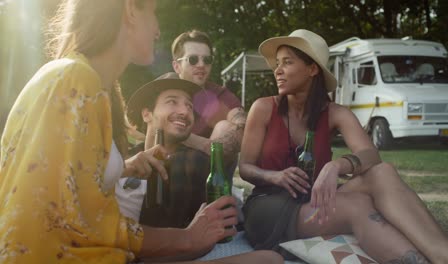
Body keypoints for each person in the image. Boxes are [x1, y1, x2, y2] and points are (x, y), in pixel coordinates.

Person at [0, 1, 283, 263]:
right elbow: (78, 223)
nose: (158, 28)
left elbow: (64, 186)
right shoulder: (75, 80)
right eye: (154, 12)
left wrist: (121, 168)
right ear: (131, 10)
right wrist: (187, 238)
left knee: (268, 260)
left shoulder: (87, 82)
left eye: (188, 105)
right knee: (269, 260)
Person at [239, 29, 448, 264]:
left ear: (312, 69)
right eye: (277, 63)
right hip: (269, 206)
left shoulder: (334, 113)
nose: (277, 70)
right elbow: (245, 167)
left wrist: (337, 165)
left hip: (313, 199)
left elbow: (370, 155)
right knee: (358, 206)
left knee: (383, 172)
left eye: (287, 62)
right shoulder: (263, 108)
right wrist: (274, 176)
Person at [115, 72, 210, 229]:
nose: (185, 112)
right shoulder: (123, 159)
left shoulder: (198, 163)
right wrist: (123, 169)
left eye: (189, 106)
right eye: (172, 102)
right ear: (147, 114)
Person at [166, 30, 246, 178]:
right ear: (177, 66)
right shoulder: (163, 91)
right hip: (168, 171)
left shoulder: (220, 95)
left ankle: (211, 194)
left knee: (225, 127)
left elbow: (242, 129)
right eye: (193, 59)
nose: (201, 65)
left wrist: (186, 138)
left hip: (207, 174)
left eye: (207, 60)